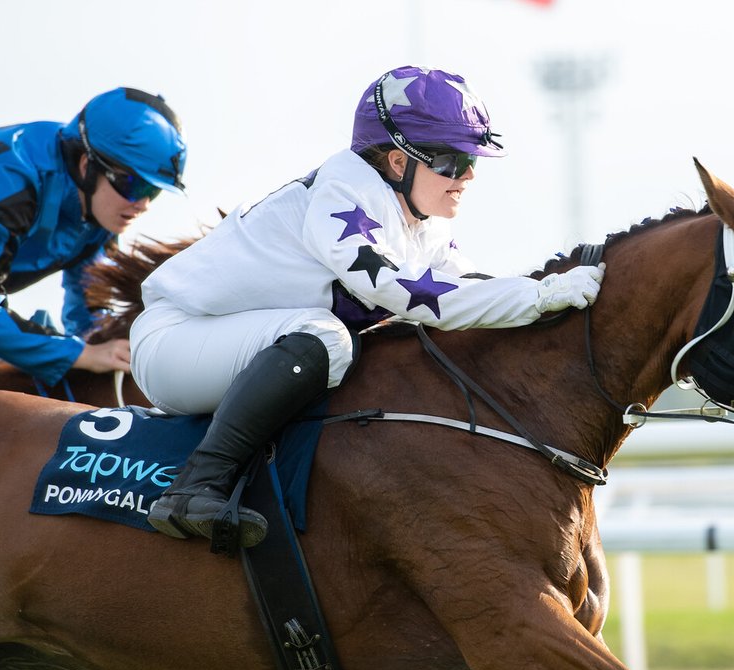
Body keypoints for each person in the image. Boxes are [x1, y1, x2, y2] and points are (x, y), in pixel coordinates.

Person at [132, 65, 605, 549]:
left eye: (472, 161)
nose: (465, 177)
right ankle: (196, 486)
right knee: (329, 341)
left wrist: (546, 294)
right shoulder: (343, 195)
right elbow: (403, 293)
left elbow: (472, 292)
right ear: (399, 163)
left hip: (236, 342)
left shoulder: (425, 223)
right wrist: (539, 295)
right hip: (176, 343)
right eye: (450, 161)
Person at [0, 87, 186, 386]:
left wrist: (108, 342)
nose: (142, 205)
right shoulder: (11, 180)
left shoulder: (99, 216)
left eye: (154, 192)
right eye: (135, 186)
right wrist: (79, 354)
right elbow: (83, 350)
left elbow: (89, 313)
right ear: (87, 166)